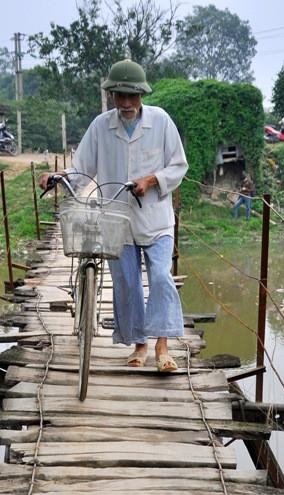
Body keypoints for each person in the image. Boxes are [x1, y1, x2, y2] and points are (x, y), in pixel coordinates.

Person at [39, 59, 188, 371]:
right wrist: (60, 175)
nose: (126, 103)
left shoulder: (160, 121)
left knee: (161, 277)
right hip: (117, 220)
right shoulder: (101, 126)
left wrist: (152, 180)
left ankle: (162, 346)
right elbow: (82, 168)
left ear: (142, 95)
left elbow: (178, 165)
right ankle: (140, 344)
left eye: (132, 96)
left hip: (157, 220)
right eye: (120, 96)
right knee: (127, 283)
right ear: (112, 96)